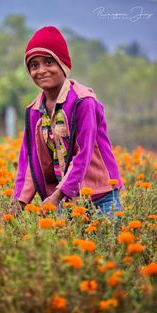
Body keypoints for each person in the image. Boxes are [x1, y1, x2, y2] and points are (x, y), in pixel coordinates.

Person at [13, 25, 123, 216]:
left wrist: (56, 197)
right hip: (65, 202)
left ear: (63, 64)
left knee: (108, 245)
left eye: (49, 62)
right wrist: (19, 203)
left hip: (101, 198)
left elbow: (83, 154)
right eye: (34, 65)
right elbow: (30, 160)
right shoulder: (34, 111)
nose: (41, 70)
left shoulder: (83, 102)